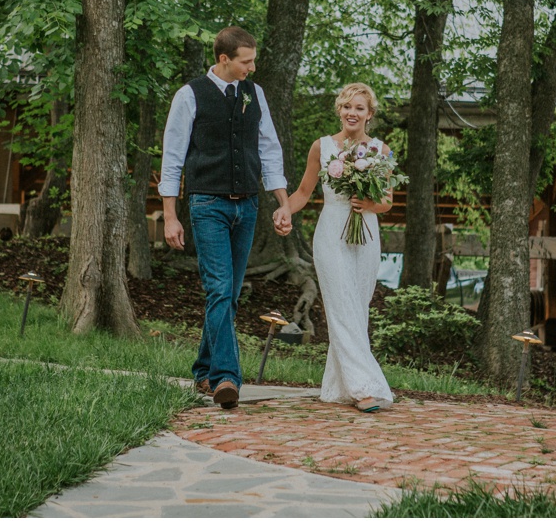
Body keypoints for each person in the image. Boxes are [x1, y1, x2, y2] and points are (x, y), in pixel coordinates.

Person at [159, 26, 294, 410]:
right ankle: (226, 378)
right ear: (224, 60)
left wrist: (281, 203)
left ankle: (203, 369)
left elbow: (269, 149)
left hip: (247, 206)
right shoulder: (190, 96)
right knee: (219, 289)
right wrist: (170, 216)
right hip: (208, 205)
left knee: (230, 295)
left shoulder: (256, 94)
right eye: (245, 61)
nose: (252, 68)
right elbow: (172, 160)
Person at [283, 83, 397, 413]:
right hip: (331, 231)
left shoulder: (380, 150)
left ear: (369, 114)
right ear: (339, 110)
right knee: (341, 307)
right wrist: (283, 210)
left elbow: (387, 201)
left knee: (357, 310)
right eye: (347, 106)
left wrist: (369, 204)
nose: (352, 112)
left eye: (359, 108)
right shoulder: (321, 147)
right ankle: (365, 389)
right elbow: (304, 192)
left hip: (366, 235)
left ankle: (337, 387)